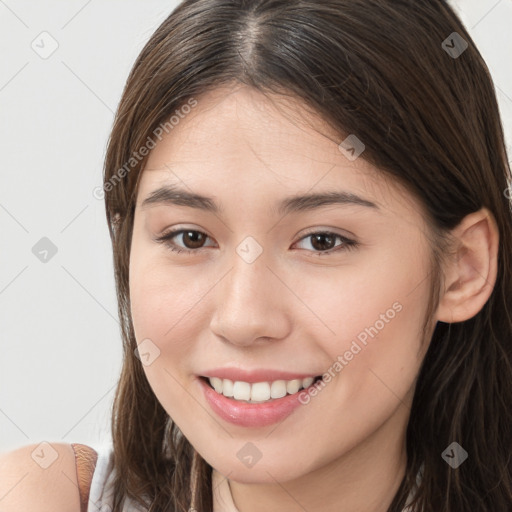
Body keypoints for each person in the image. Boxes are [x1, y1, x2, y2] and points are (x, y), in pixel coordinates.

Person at [1, 0, 511, 510]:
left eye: (322, 241)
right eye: (190, 238)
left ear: (462, 268)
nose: (244, 320)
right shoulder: (40, 497)